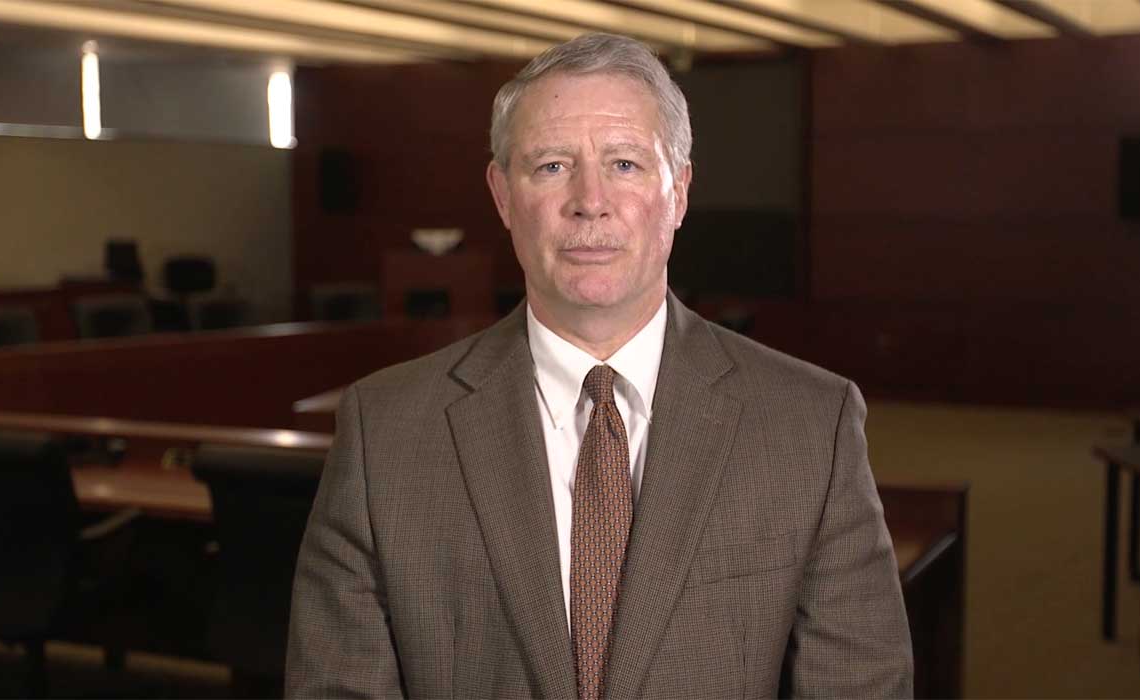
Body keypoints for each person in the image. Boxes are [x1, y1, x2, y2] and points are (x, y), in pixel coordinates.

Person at [286, 32, 912, 699]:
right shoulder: (384, 430)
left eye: (625, 164)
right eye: (552, 165)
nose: (591, 200)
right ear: (502, 195)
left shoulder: (810, 424)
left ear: (679, 194)